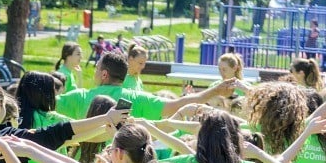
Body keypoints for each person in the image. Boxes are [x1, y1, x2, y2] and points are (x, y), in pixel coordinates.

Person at [55, 52, 237, 122]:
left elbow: (45, 102)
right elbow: (179, 103)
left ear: (104, 74)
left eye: (97, 69)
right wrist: (215, 91)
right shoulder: (136, 99)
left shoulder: (79, 97)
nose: (94, 73)